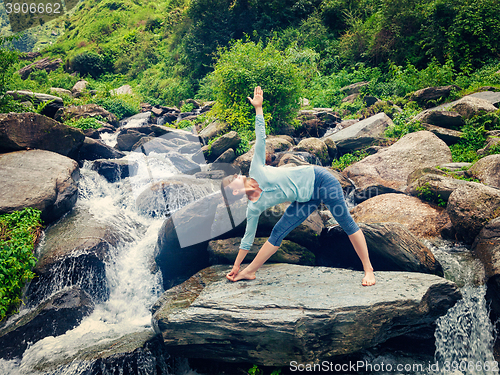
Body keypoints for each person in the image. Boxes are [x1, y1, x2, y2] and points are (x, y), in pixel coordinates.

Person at [221, 86, 376, 286]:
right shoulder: (253, 208)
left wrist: (258, 109)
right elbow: (247, 239)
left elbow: (261, 139)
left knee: (345, 222)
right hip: (305, 199)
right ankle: (248, 272)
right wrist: (236, 266)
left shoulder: (256, 168)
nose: (237, 176)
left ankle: (368, 269)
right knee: (278, 232)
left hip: (321, 180)